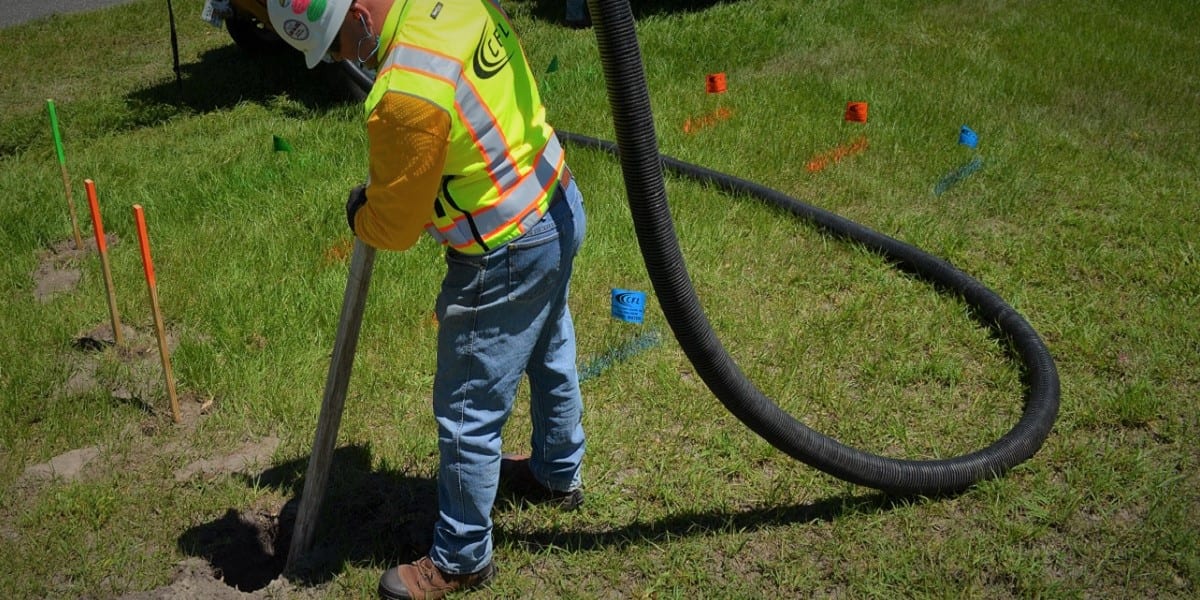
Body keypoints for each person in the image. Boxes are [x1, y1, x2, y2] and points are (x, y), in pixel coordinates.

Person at [266, 1, 588, 598]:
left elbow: (396, 224)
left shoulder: (406, 89)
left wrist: (364, 212)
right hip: (553, 200)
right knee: (549, 347)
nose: (344, 57)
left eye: (339, 42)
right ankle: (557, 474)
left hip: (503, 249)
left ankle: (463, 556)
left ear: (359, 14)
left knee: (467, 408)